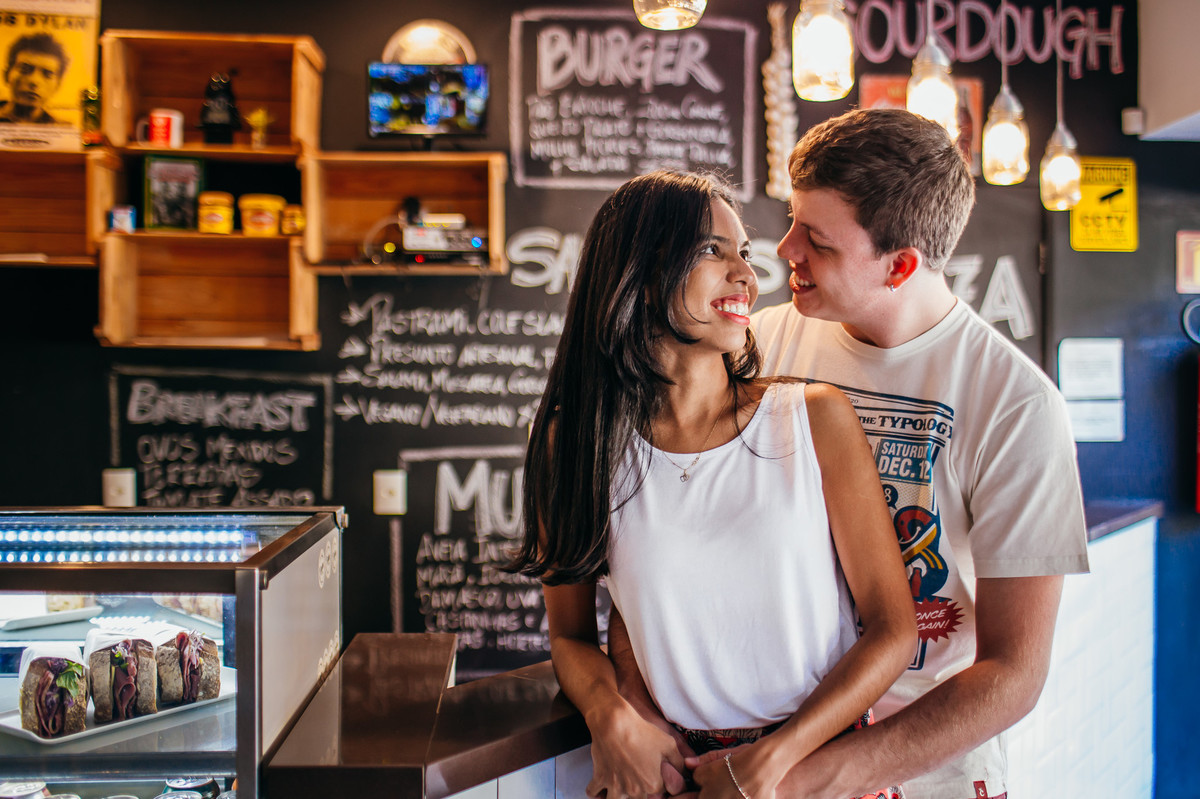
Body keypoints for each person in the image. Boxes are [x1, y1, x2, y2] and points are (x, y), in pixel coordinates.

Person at [611, 109, 1090, 799]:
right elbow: (647, 537)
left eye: (819, 240)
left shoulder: (1018, 406)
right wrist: (633, 710)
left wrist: (801, 773)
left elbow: (1014, 674)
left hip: (924, 773)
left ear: (899, 266)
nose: (782, 250)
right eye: (791, 220)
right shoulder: (755, 346)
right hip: (748, 756)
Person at [510, 169, 916, 799]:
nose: (747, 276)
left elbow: (894, 631)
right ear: (640, 278)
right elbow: (569, 634)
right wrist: (615, 718)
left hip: (814, 766)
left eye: (744, 254)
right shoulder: (578, 442)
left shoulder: (814, 418)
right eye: (711, 250)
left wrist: (775, 758)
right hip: (672, 775)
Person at [0, 32, 69, 124]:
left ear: (58, 84)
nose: (34, 81)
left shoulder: (62, 128)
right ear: (6, 74)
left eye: (47, 74)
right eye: (25, 70)